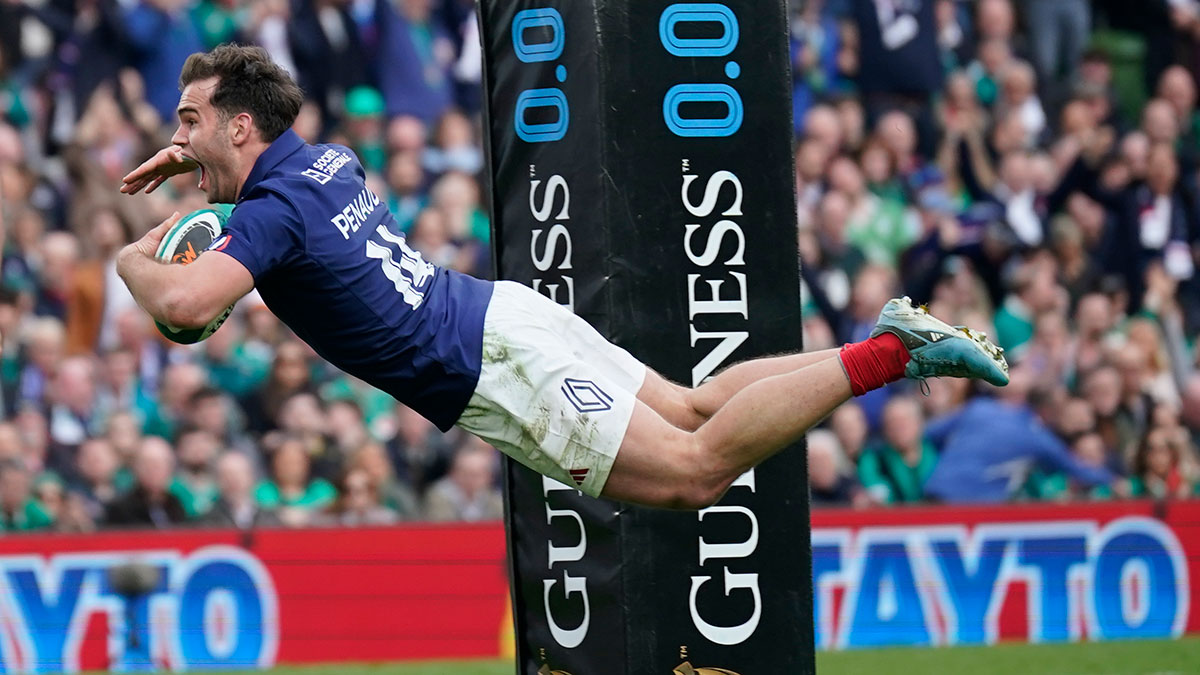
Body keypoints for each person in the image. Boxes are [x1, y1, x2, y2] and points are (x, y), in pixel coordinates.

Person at [117, 45, 1009, 510]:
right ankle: (885, 336)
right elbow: (261, 234)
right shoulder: (326, 161)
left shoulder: (271, 210)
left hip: (493, 369)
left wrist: (133, 254)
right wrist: (204, 193)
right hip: (499, 312)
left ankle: (894, 353)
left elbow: (188, 306)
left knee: (697, 471)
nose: (180, 136)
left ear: (242, 127)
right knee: (693, 405)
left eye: (191, 120)